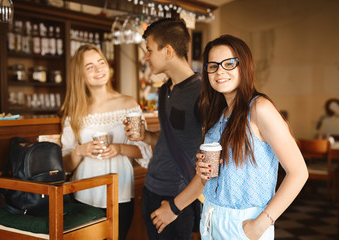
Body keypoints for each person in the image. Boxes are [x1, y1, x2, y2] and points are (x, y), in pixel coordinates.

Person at [149, 34, 308, 240]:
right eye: (213, 66)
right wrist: (182, 198)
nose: (220, 71)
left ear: (244, 66)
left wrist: (260, 224)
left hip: (244, 225)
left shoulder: (259, 108)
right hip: (211, 218)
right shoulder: (217, 116)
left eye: (229, 63)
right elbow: (206, 178)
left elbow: (299, 172)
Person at [60, 44, 152, 240]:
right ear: (80, 74)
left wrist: (119, 148)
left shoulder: (128, 104)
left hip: (120, 191)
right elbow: (64, 164)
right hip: (83, 193)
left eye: (101, 62)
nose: (99, 69)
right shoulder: (74, 112)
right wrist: (79, 151)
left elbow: (145, 151)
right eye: (90, 66)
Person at [125, 18, 202, 239]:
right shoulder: (164, 90)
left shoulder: (202, 93)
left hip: (177, 196)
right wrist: (146, 136)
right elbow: (172, 139)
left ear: (168, 50)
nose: (146, 57)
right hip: (152, 187)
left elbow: (215, 161)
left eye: (149, 50)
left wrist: (176, 207)